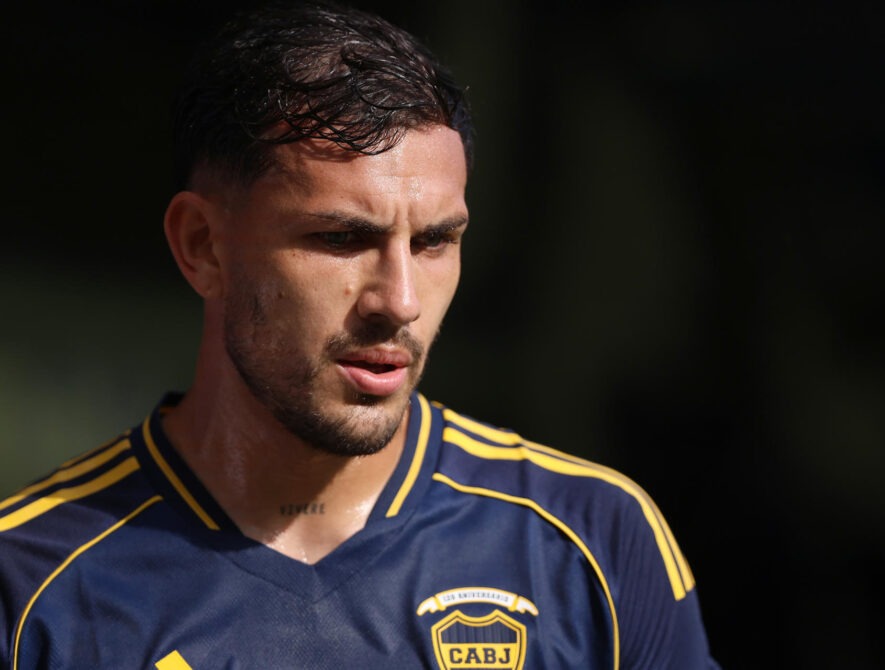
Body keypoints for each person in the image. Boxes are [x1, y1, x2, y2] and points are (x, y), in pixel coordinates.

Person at [0, 1, 720, 667]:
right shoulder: (29, 582)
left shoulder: (591, 541)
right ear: (202, 246)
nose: (399, 302)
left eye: (435, 242)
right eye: (341, 238)